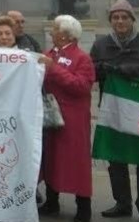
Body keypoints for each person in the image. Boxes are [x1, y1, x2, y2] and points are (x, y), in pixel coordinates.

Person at [91, 0, 139, 222]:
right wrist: (102, 70)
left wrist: (125, 70)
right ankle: (122, 203)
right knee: (116, 159)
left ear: (132, 19)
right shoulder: (100, 45)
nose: (120, 21)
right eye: (115, 17)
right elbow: (91, 71)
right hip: (113, 112)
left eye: (124, 17)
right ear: (111, 21)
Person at [37, 15, 95, 222]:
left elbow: (81, 86)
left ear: (64, 34)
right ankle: (53, 201)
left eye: (54, 28)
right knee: (51, 158)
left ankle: (83, 208)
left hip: (73, 118)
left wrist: (54, 68)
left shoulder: (82, 58)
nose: (51, 31)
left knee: (76, 162)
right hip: (50, 115)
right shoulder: (49, 53)